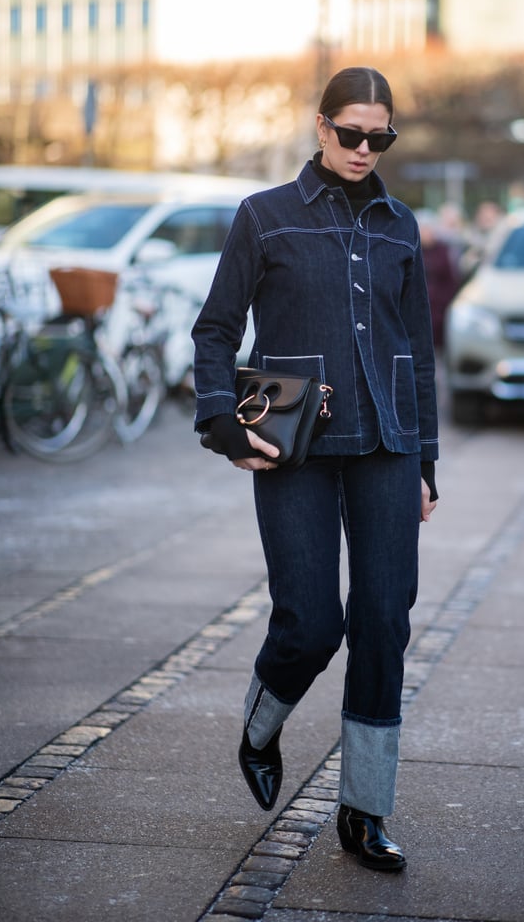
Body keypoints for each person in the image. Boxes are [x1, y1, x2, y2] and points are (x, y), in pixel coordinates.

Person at [191, 66, 439, 872]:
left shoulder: (403, 225)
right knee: (308, 624)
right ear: (322, 128)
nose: (366, 149)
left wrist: (427, 459)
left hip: (387, 447)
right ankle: (262, 725)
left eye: (382, 137)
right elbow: (216, 331)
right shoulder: (264, 218)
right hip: (291, 446)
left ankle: (364, 809)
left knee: (382, 622)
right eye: (352, 134)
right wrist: (223, 423)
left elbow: (418, 352)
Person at [415, 207, 461, 349]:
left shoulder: (443, 251)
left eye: (429, 228)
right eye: (423, 229)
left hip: (440, 309)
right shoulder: (412, 250)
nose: (427, 233)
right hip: (419, 307)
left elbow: (451, 279)